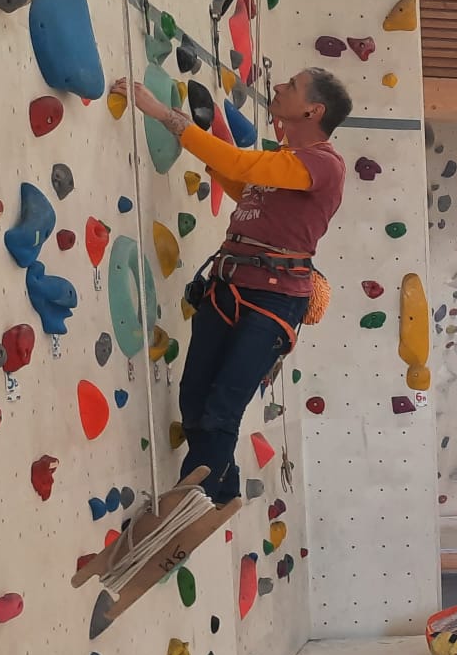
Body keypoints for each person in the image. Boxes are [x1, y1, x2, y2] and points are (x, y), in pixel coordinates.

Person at [116, 69, 350, 507]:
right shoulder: (285, 163)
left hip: (274, 298)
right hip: (229, 285)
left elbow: (242, 165)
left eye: (291, 87)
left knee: (222, 406)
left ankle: (188, 504)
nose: (277, 87)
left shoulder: (323, 163)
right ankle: (221, 495)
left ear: (313, 110)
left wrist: (166, 116)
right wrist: (213, 154)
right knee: (193, 400)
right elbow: (246, 187)